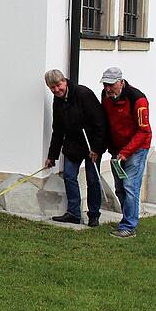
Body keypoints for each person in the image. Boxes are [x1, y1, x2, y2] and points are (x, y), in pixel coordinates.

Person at [44, 69, 108, 227]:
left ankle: (94, 215)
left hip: (91, 144)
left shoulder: (83, 94)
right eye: (52, 88)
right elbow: (58, 130)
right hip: (73, 145)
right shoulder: (57, 100)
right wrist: (52, 156)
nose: (56, 90)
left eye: (58, 85)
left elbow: (100, 123)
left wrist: (97, 149)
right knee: (69, 176)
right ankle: (73, 213)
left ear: (64, 81)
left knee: (92, 180)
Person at [100, 67, 151, 238]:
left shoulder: (138, 99)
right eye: (105, 85)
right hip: (117, 150)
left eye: (111, 85)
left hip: (136, 149)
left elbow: (144, 131)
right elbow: (106, 125)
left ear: (121, 82)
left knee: (130, 187)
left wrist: (127, 152)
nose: (108, 89)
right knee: (120, 188)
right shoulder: (105, 98)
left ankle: (129, 226)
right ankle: (126, 219)